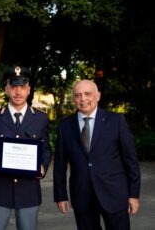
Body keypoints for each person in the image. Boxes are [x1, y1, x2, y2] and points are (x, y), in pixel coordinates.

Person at [53, 79, 141, 230]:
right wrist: (60, 195)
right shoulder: (65, 126)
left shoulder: (116, 121)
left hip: (114, 195)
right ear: (74, 98)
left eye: (88, 94)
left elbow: (131, 161)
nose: (83, 99)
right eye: (78, 95)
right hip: (82, 196)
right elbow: (60, 164)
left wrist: (133, 194)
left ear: (98, 96)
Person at [0, 66, 52, 230]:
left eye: (22, 87)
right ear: (6, 89)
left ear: (29, 90)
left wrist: (43, 166)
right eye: (13, 87)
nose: (18, 92)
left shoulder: (41, 118)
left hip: (28, 191)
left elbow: (46, 149)